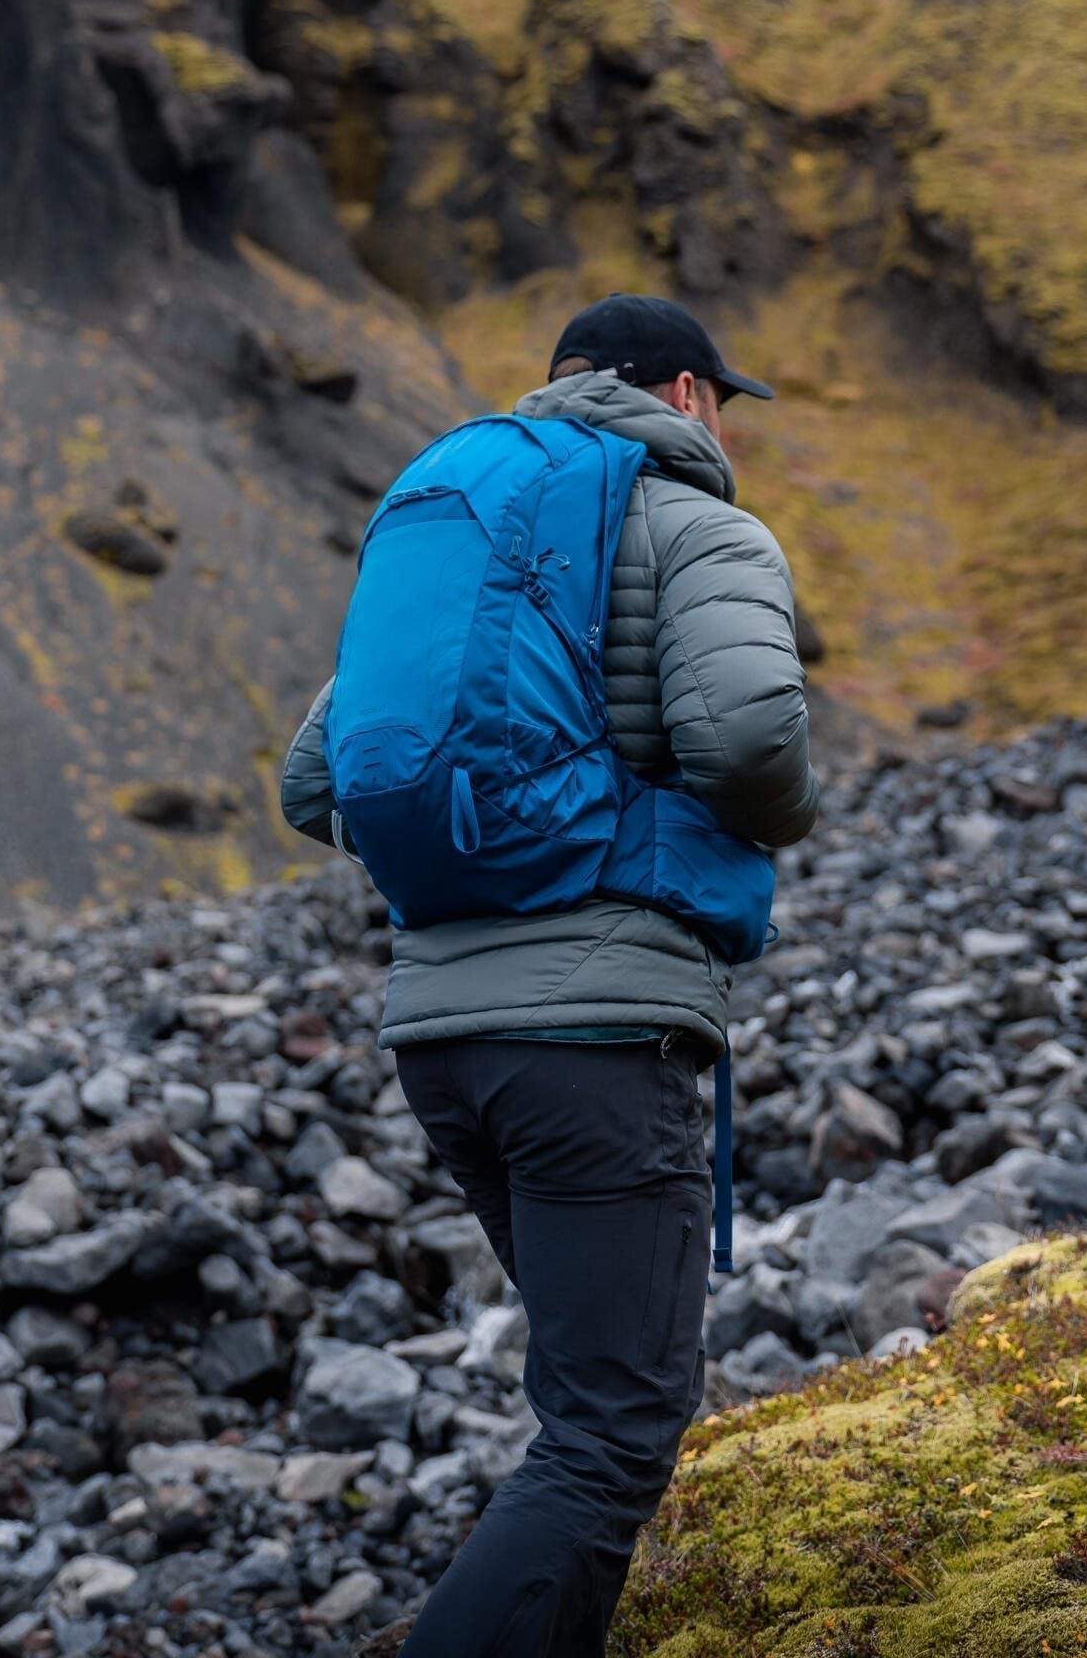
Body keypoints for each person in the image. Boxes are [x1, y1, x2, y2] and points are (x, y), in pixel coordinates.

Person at [280, 293, 821, 1656]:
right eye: (726, 404)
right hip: (599, 1038)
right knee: (614, 1428)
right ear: (687, 394)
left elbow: (312, 783)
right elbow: (755, 734)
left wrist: (485, 863)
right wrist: (748, 824)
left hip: (444, 1041)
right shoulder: (699, 527)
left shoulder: (473, 532)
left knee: (591, 1395)